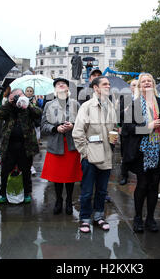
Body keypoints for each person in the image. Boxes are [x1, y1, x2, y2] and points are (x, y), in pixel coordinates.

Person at [121, 73, 160, 233]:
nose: (147, 83)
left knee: (154, 185)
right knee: (142, 185)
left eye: (150, 81)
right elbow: (128, 129)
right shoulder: (133, 104)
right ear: (140, 86)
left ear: (153, 84)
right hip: (141, 151)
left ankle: (150, 218)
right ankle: (137, 217)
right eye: (144, 81)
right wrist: (148, 126)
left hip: (159, 149)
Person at [72, 76, 118, 233]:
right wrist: (85, 153)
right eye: (105, 84)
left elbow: (113, 127)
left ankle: (99, 216)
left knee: (102, 190)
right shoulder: (86, 106)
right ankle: (84, 218)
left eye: (109, 84)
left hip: (106, 154)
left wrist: (115, 135)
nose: (108, 86)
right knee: (86, 191)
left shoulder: (111, 105)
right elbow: (77, 132)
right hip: (90, 156)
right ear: (96, 88)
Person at [40, 78, 82, 215]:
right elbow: (43, 126)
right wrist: (55, 129)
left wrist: (73, 126)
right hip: (56, 145)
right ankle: (59, 200)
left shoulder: (76, 104)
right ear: (55, 90)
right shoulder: (48, 105)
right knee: (57, 177)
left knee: (70, 176)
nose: (61, 86)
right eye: (58, 85)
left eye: (64, 84)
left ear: (68, 89)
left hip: (71, 146)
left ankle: (69, 200)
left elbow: (84, 124)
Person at [0, 88, 42, 204]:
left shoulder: (27, 107)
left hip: (25, 145)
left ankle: (26, 193)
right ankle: (3, 193)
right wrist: (9, 104)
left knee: (26, 170)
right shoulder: (9, 108)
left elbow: (38, 113)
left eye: (19, 95)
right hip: (9, 145)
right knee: (5, 170)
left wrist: (28, 104)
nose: (17, 98)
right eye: (15, 95)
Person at [118, 79, 138, 186]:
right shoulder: (125, 99)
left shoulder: (144, 99)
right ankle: (124, 175)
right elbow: (118, 115)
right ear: (130, 88)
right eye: (133, 85)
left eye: (137, 85)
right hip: (126, 133)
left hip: (139, 131)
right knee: (125, 154)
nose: (135, 87)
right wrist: (124, 112)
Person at [25, 86, 40, 175]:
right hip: (25, 128)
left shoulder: (35, 102)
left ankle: (31, 165)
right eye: (28, 91)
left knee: (33, 147)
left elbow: (38, 114)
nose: (29, 92)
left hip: (34, 127)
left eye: (31, 91)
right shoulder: (22, 101)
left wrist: (34, 105)